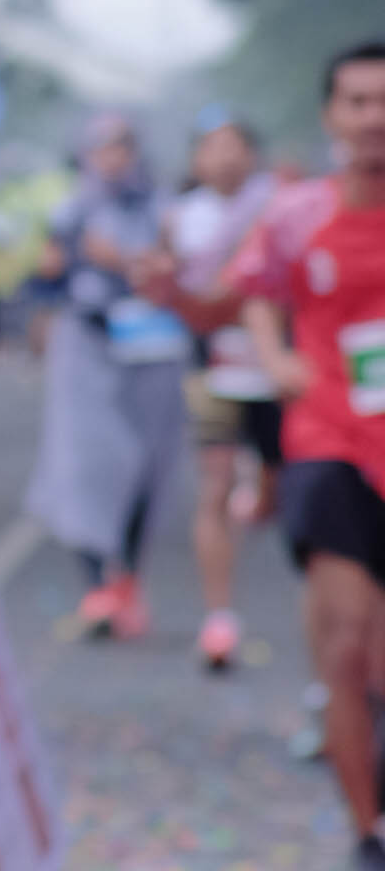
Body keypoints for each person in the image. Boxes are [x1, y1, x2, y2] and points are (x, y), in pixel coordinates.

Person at [220, 45, 385, 871]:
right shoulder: (294, 214)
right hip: (329, 441)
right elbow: (252, 290)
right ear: (331, 116)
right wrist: (274, 354)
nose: (373, 118)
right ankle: (368, 838)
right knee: (347, 644)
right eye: (357, 101)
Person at [25, 114, 187, 640]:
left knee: (146, 465)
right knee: (83, 463)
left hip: (151, 346)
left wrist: (124, 260)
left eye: (122, 146)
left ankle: (128, 579)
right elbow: (46, 274)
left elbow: (178, 267)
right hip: (86, 345)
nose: (113, 158)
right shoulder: (70, 210)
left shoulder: (161, 208)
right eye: (102, 148)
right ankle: (95, 583)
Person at [162, 112, 281, 671]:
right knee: (213, 486)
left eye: (235, 146)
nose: (226, 157)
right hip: (213, 371)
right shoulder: (179, 217)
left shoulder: (280, 207)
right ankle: (219, 618)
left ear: (252, 155)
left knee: (283, 493)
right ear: (196, 160)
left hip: (277, 371)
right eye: (213, 147)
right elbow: (172, 293)